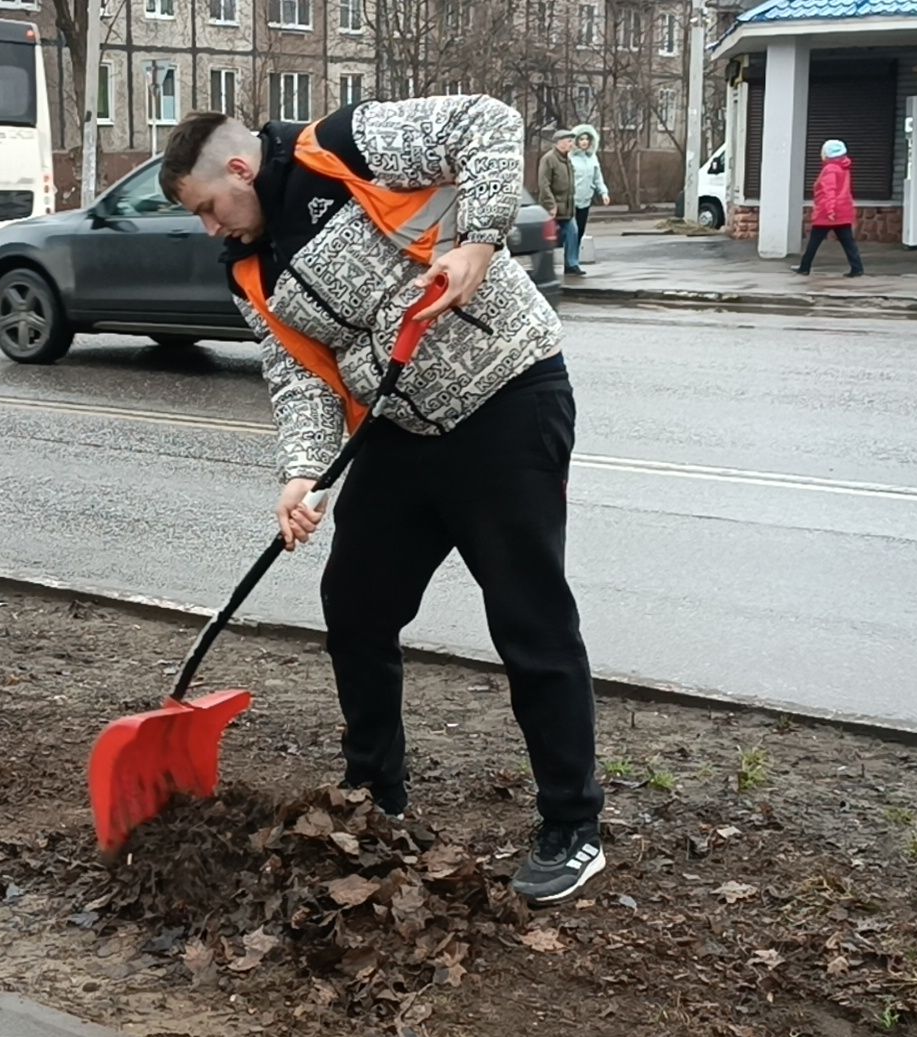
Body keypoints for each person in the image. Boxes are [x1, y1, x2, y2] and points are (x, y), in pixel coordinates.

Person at [158, 96, 607, 905]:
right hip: (399, 432)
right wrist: (303, 473)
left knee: (527, 616)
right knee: (356, 605)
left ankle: (572, 827)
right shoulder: (249, 267)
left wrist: (476, 241)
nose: (210, 229)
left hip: (506, 398)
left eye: (208, 210)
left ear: (239, 168)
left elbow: (490, 123)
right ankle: (376, 795)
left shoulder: (343, 145)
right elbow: (297, 376)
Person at [794, 139, 864, 278]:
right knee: (848, 242)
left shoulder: (830, 169)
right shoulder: (844, 168)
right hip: (843, 210)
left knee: (814, 242)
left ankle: (804, 267)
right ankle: (857, 268)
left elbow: (829, 190)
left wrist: (830, 210)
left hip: (827, 213)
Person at [537, 129, 583, 276]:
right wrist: (551, 205)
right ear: (560, 143)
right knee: (547, 238)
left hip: (567, 207)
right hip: (553, 208)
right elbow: (544, 184)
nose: (572, 144)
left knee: (573, 233)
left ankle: (571, 265)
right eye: (569, 141)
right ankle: (543, 267)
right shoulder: (549, 159)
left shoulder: (567, 159)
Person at [570, 124, 608, 242]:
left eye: (587, 139)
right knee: (571, 232)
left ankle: (574, 257)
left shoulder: (592, 158)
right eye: (581, 139)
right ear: (576, 141)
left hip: (586, 199)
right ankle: (571, 259)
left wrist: (604, 193)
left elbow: (597, 178)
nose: (584, 142)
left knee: (580, 231)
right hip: (571, 201)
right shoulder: (570, 158)